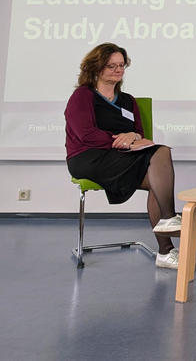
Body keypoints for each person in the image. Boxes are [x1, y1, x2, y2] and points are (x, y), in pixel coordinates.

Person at [64, 43, 181, 269]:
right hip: (89, 157)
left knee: (161, 157)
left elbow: (140, 134)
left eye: (121, 65)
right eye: (111, 66)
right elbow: (86, 135)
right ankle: (168, 224)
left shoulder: (128, 100)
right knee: (159, 171)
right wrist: (122, 141)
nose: (118, 70)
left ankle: (166, 249)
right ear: (96, 68)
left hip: (122, 157)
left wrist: (133, 135)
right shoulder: (82, 96)